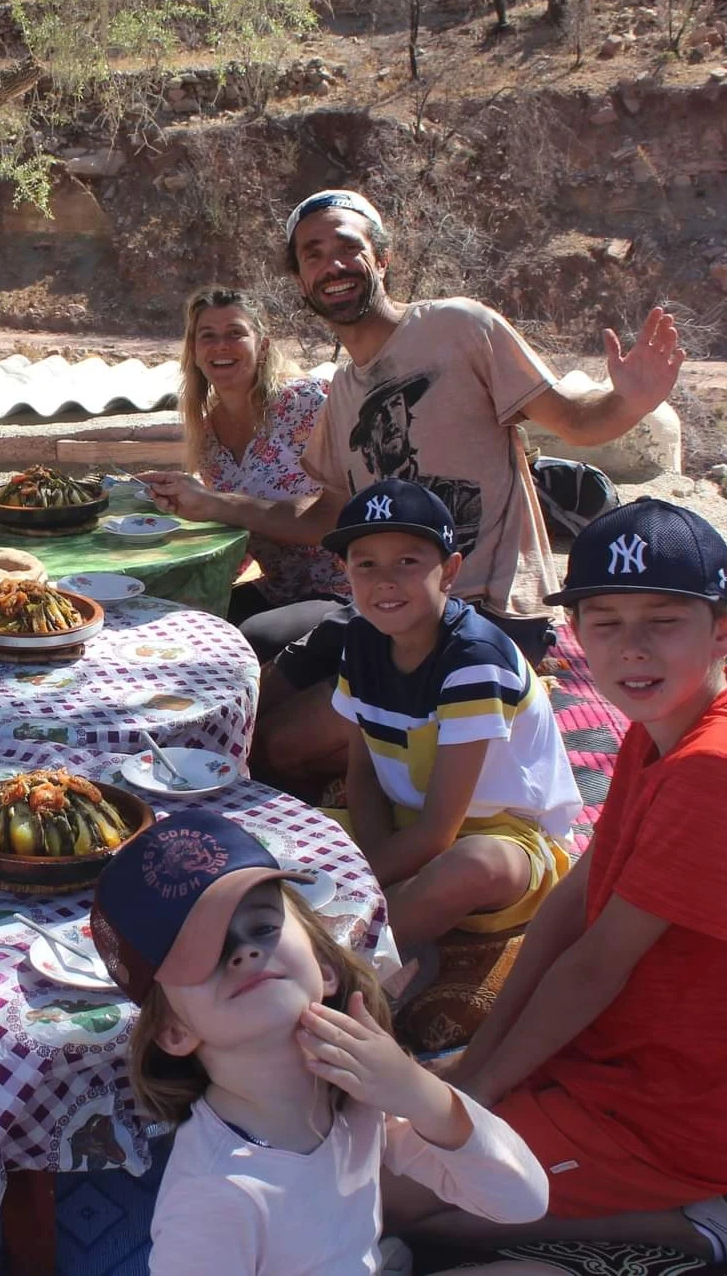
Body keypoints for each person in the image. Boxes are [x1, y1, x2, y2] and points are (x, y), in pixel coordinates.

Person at [144, 189, 686, 792]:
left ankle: (364, 836)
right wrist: (212, 503)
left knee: (275, 748)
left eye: (348, 246)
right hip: (382, 607)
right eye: (313, 254)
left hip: (484, 614)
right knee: (231, 721)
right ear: (299, 279)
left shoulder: (459, 327)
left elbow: (578, 420)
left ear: (382, 257)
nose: (333, 265)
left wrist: (629, 401)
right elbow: (325, 516)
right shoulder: (342, 395)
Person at [392, 499, 727, 1265]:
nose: (631, 649)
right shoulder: (659, 726)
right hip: (610, 1055)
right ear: (575, 635)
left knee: (391, 1195)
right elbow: (577, 896)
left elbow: (597, 964)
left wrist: (474, 1102)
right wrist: (481, 1066)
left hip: (676, 1108)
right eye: (604, 621)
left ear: (723, 628)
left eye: (662, 620)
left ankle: (701, 1219)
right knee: (380, 1139)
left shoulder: (710, 769)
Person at [88, 810, 549, 1276]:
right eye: (202, 952)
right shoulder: (214, 1195)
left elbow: (522, 1200)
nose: (244, 952)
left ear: (324, 966)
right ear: (174, 1031)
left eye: (264, 927)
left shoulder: (358, 1097)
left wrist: (418, 1092)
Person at [324, 478, 579, 949]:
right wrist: (373, 861)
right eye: (366, 564)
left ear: (449, 570)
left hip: (504, 837)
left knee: (469, 868)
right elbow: (362, 773)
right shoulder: (362, 640)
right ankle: (378, 923)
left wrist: (358, 883)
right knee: (276, 841)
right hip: (408, 820)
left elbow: (440, 832)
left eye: (408, 561)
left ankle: (339, 959)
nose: (385, 580)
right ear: (346, 573)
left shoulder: (474, 661)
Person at [175, 286, 348, 639]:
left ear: (263, 346)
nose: (221, 345)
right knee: (182, 622)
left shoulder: (308, 405)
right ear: (194, 353)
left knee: (251, 635)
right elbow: (239, 533)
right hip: (277, 590)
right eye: (208, 336)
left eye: (235, 333)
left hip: (343, 591)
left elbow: (334, 520)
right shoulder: (207, 439)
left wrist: (216, 504)